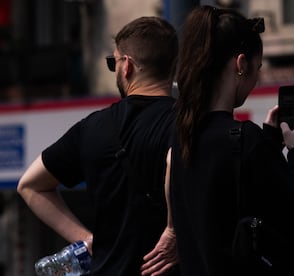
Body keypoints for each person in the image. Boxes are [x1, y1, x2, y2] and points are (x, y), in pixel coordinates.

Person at [166, 5, 294, 276]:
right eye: (257, 67)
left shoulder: (183, 137)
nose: (257, 78)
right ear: (240, 64)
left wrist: (269, 143)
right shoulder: (245, 140)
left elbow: (231, 199)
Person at [17, 16, 179, 276]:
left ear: (127, 66)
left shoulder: (94, 127)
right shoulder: (189, 123)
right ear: (173, 67)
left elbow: (29, 185)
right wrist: (174, 231)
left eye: (112, 62)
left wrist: (86, 239)